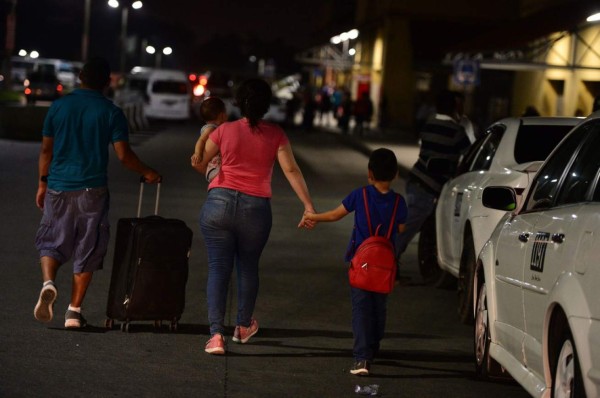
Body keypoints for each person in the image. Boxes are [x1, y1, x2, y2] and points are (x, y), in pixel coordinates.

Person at [192, 78, 316, 355]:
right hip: (256, 209)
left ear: (238, 102)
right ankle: (243, 326)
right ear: (266, 105)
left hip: (218, 204)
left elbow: (200, 162)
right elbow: (292, 171)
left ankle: (215, 336)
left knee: (218, 269)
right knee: (247, 267)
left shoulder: (224, 130)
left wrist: (214, 175)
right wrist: (308, 206)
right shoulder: (276, 135)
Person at [34, 57, 160, 329]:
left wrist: (43, 183)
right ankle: (73, 312)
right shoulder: (111, 112)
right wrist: (148, 172)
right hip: (93, 189)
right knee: (88, 247)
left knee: (51, 240)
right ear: (107, 83)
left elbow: (46, 150)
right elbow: (124, 155)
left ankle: (48, 283)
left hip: (58, 185)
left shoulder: (58, 106)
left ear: (80, 77)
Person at [301, 148, 407, 376]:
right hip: (385, 266)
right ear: (396, 174)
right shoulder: (399, 202)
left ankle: (362, 359)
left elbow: (335, 214)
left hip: (361, 264)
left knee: (361, 309)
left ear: (370, 173)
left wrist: (313, 217)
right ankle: (373, 346)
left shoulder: (360, 195)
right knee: (379, 307)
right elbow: (401, 228)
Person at [394, 89, 471, 279]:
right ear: (454, 106)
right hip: (428, 187)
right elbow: (470, 155)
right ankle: (385, 266)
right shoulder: (456, 131)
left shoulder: (429, 124)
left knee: (408, 225)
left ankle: (389, 264)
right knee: (407, 229)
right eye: (459, 104)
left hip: (416, 179)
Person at [191, 97, 228, 182]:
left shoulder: (216, 128)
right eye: (225, 111)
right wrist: (197, 153)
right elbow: (201, 140)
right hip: (214, 169)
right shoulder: (211, 128)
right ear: (221, 115)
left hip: (213, 169)